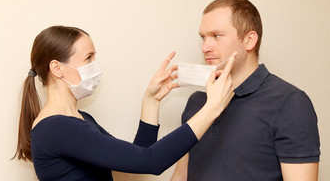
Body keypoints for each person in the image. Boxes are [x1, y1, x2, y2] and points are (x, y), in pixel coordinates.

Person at [13, 25, 236, 181]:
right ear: (57, 68)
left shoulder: (80, 119)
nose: (96, 65)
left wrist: (151, 100)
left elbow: (138, 156)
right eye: (88, 58)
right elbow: (152, 162)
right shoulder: (56, 128)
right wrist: (211, 109)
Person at [171, 0, 320, 181]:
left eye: (216, 36)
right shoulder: (197, 101)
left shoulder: (290, 103)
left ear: (250, 40)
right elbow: (180, 176)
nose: (205, 47)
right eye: (203, 37)